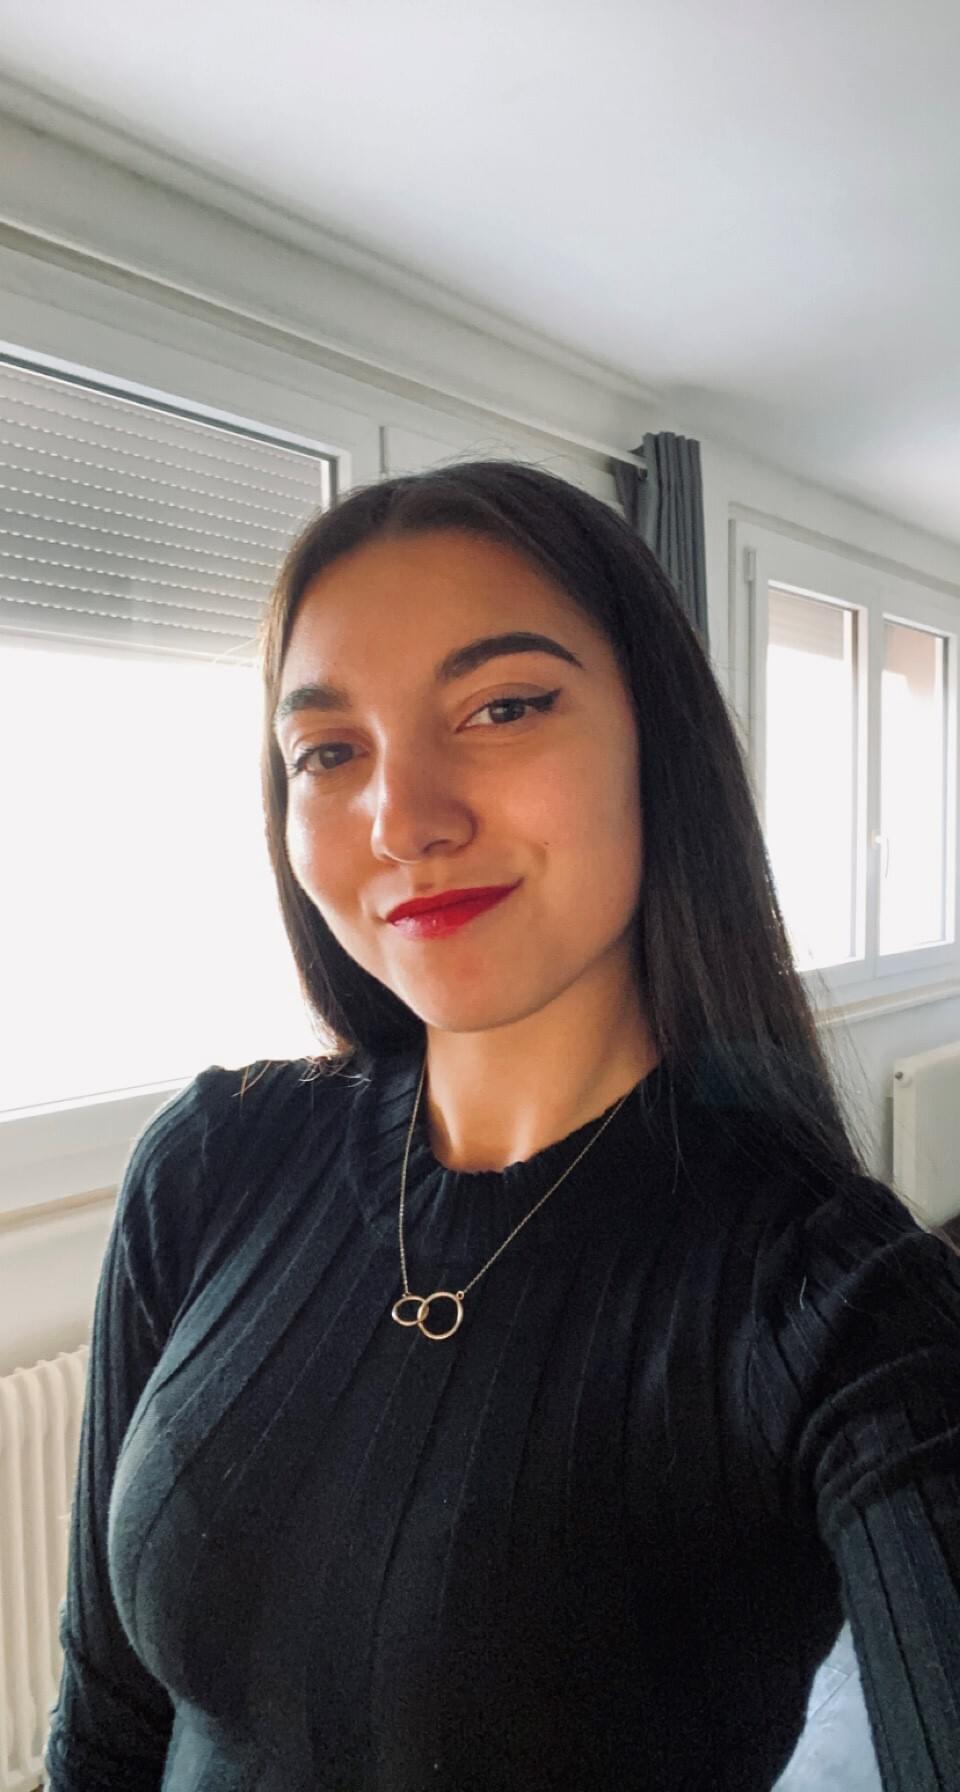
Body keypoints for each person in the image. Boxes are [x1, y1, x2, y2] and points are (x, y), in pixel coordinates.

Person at [44, 462, 960, 1790]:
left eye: (504, 707)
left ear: (658, 743)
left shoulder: (837, 1305)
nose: (403, 821)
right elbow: (109, 1721)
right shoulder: (207, 1164)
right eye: (330, 752)